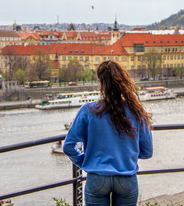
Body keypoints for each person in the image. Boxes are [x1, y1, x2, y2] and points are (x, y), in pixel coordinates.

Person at [63, 60, 153, 206]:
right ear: (123, 81)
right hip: (126, 177)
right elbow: (147, 152)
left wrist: (86, 162)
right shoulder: (136, 112)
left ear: (100, 82)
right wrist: (127, 155)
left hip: (97, 178)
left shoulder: (87, 110)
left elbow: (68, 147)